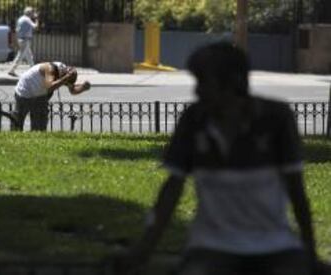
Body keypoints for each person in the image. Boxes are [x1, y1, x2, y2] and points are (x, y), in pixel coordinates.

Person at [113, 42, 321, 275]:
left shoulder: (276, 119)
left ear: (233, 82)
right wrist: (144, 249)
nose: (197, 91)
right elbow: (172, 189)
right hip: (211, 246)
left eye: (204, 82)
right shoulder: (194, 120)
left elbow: (297, 191)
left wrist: (311, 254)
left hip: (275, 244)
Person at [14, 61, 90, 131]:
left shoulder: (64, 73)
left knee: (39, 128)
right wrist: (66, 78)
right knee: (17, 124)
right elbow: (49, 87)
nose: (65, 84)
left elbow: (73, 91)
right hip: (24, 91)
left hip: (40, 95)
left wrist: (83, 88)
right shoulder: (50, 68)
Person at [8, 6, 39, 77]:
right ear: (29, 13)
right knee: (20, 56)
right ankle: (11, 70)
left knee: (29, 56)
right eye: (32, 12)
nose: (33, 14)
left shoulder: (20, 19)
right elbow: (36, 27)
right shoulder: (27, 19)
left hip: (21, 39)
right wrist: (37, 19)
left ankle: (33, 69)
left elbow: (16, 29)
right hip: (25, 40)